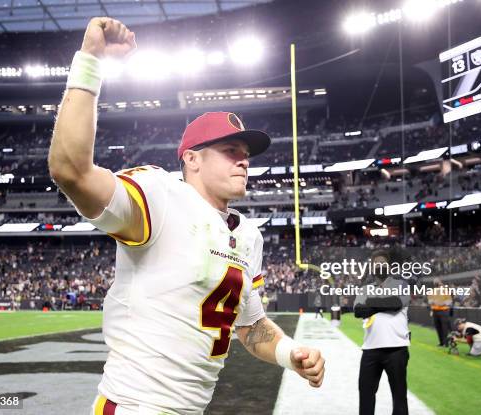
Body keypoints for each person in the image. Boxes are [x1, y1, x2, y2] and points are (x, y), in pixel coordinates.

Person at [48, 17, 325, 415]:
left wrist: (290, 353)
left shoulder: (248, 236)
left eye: (246, 156)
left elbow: (249, 326)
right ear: (192, 159)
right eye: (231, 151)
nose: (244, 162)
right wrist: (91, 59)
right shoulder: (161, 197)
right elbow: (70, 170)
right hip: (134, 406)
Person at [353, 249, 410, 415]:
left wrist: (370, 303)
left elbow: (396, 303)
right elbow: (358, 311)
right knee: (366, 395)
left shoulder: (402, 285)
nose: (379, 266)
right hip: (370, 349)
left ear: (389, 266)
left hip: (397, 348)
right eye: (376, 264)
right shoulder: (365, 289)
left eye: (382, 263)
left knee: (399, 396)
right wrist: (382, 303)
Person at [427, 277, 452, 346]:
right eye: (435, 282)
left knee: (445, 328)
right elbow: (429, 301)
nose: (436, 283)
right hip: (435, 311)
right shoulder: (432, 291)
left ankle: (446, 343)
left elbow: (449, 301)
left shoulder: (445, 290)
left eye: (437, 281)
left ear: (440, 282)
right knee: (438, 327)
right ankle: (441, 342)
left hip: (444, 311)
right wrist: (433, 302)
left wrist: (442, 303)